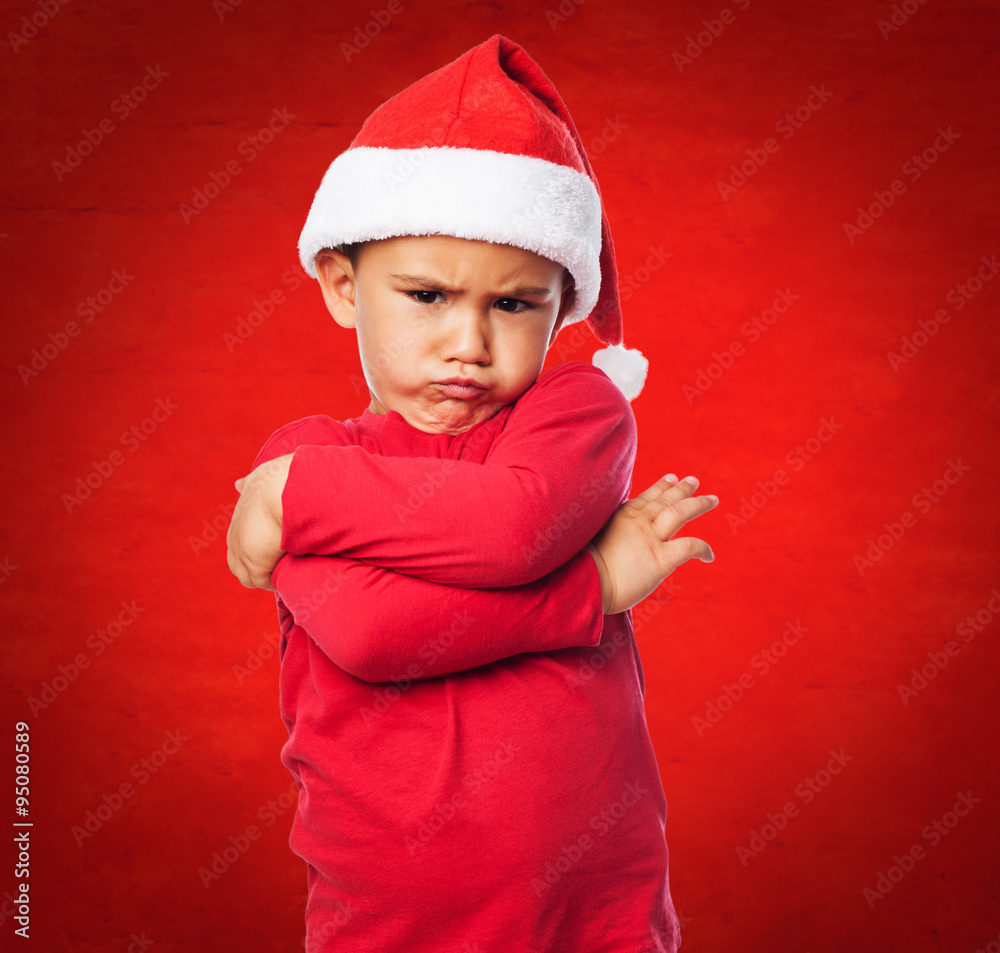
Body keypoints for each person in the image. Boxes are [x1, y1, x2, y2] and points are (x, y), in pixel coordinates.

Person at [226, 34, 718, 953]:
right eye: (426, 295)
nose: (469, 342)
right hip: (390, 914)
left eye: (515, 303)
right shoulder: (308, 450)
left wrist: (297, 495)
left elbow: (518, 525)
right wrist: (592, 591)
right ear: (342, 285)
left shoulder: (575, 411)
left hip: (595, 904)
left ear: (560, 301)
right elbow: (374, 635)